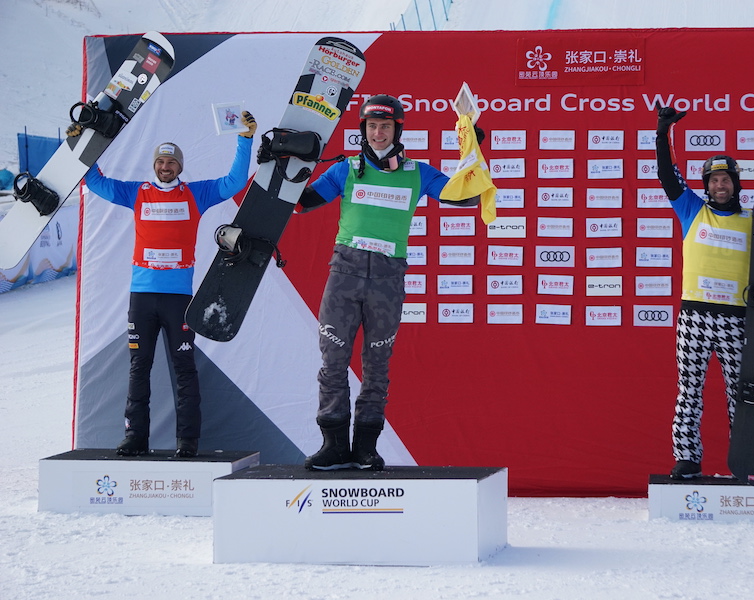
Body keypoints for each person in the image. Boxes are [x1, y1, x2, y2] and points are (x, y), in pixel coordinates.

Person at [296, 94, 483, 471]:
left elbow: (466, 198)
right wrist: (282, 171)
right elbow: (304, 202)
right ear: (363, 130)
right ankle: (333, 446)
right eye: (371, 126)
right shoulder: (347, 169)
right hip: (344, 275)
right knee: (332, 363)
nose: (378, 133)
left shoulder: (418, 172)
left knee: (377, 364)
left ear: (397, 130)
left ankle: (366, 447)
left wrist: (473, 141)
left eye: (385, 126)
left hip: (387, 279)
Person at [78, 111, 257, 458]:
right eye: (160, 161)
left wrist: (245, 139)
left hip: (179, 299)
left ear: (180, 167)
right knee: (138, 368)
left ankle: (187, 441)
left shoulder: (196, 195)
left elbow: (235, 181)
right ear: (154, 165)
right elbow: (96, 181)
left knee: (184, 369)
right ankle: (135, 438)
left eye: (171, 162)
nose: (165, 167)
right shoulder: (137, 194)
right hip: (142, 297)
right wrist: (83, 144)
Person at [655, 105, 752, 479]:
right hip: (694, 315)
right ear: (706, 185)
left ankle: (745, 460)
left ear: (736, 184)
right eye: (713, 180)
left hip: (736, 319)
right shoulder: (691, 208)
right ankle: (687, 459)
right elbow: (668, 175)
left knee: (738, 396)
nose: (719, 186)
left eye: (726, 180)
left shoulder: (753, 218)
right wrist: (662, 132)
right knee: (689, 390)